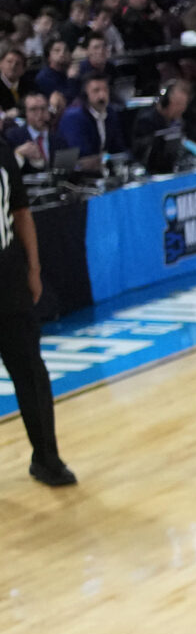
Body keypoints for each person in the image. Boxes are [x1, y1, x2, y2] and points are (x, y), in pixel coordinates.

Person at [0, 141, 68, 486]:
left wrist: (34, 269)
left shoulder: (4, 155)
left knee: (31, 371)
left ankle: (47, 459)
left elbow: (22, 214)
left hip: (7, 276)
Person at [59, 75, 129, 162]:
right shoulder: (74, 117)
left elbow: (118, 147)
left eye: (105, 90)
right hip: (73, 169)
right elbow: (82, 154)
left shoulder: (110, 113)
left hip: (101, 168)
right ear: (86, 93)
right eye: (96, 91)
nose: (102, 95)